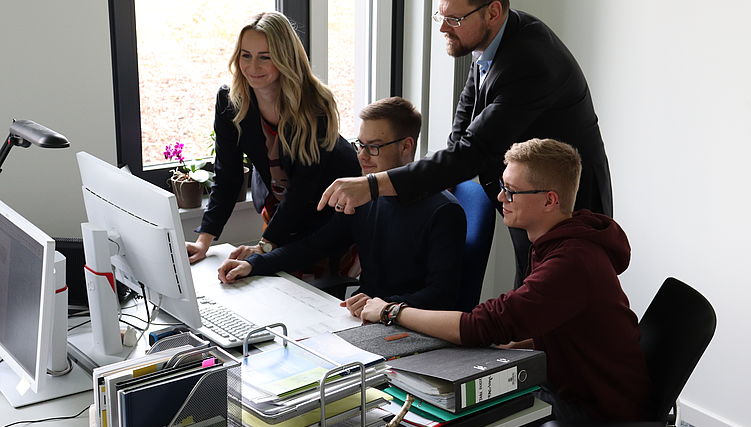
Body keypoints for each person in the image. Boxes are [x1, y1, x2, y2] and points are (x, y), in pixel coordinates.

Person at [318, 0, 612, 288]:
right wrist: (435, 179)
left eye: (455, 19)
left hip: (567, 203)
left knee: (560, 302)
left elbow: (473, 151)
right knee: (532, 297)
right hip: (527, 193)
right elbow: (462, 131)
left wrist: (372, 185)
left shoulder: (529, 61)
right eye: (441, 16)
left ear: (493, 12)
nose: (444, 27)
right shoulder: (488, 40)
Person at [358, 139, 650, 424]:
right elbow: (555, 329)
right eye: (502, 188)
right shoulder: (559, 244)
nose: (500, 199)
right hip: (571, 383)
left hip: (596, 411)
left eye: (511, 191)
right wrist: (509, 346)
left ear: (550, 200)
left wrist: (391, 311)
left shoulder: (571, 263)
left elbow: (480, 326)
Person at [217, 97, 467, 313]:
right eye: (360, 145)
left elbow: (441, 296)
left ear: (406, 146)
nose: (362, 156)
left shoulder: (443, 211)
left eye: (374, 147)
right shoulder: (365, 196)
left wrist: (385, 307)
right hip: (367, 319)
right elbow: (314, 246)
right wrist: (254, 263)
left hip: (411, 327)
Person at [187, 11, 360, 264]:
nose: (252, 67)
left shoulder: (314, 103)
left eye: (265, 58)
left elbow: (304, 188)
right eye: (246, 55)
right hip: (284, 208)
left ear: (285, 59)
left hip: (329, 211)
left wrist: (265, 245)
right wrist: (204, 240)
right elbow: (228, 174)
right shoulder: (230, 100)